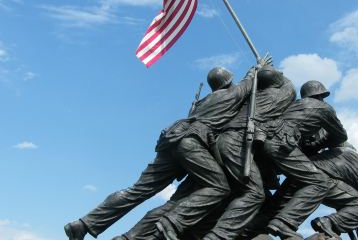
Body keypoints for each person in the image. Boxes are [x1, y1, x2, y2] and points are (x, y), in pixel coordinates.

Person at [64, 55, 271, 240]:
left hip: (171, 139)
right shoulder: (230, 94)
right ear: (227, 82)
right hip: (191, 143)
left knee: (138, 190)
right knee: (219, 187)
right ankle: (172, 221)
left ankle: (84, 223)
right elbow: (249, 81)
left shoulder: (203, 102)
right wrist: (259, 66)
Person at [200, 66, 296, 240]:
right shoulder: (274, 96)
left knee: (244, 193)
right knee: (254, 193)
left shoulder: (246, 100)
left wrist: (258, 75)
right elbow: (289, 89)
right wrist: (268, 73)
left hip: (221, 143)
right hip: (236, 143)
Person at [259, 80, 348, 239]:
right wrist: (321, 143)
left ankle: (264, 219)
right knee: (320, 182)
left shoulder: (295, 105)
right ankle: (284, 223)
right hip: (280, 143)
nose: (323, 100)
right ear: (320, 95)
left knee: (296, 180)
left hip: (265, 141)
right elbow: (340, 136)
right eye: (323, 96)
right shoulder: (324, 108)